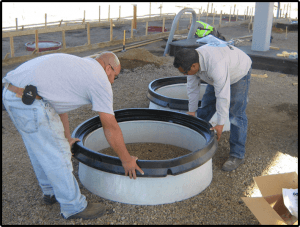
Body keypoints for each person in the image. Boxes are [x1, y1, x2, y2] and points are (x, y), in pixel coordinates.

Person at [2, 52, 144, 220]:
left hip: (12, 94)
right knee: (58, 155)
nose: (112, 81)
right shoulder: (99, 79)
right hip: (31, 101)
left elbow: (59, 104)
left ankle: (51, 191)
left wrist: (67, 137)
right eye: (115, 76)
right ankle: (73, 206)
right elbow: (110, 127)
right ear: (108, 68)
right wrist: (127, 160)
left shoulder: (83, 65)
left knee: (38, 147)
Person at [173, 45, 252, 172]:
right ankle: (196, 140)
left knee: (236, 114)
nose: (185, 74)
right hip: (217, 73)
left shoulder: (216, 66)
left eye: (185, 72)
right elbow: (192, 89)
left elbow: (223, 95)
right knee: (205, 106)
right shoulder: (191, 61)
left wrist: (220, 124)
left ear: (194, 66)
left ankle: (237, 155)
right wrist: (192, 111)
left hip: (238, 71)